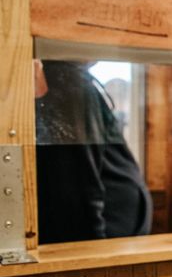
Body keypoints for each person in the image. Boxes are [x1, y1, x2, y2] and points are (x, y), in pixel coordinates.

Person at [35, 60, 152, 243]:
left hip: (111, 241)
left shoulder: (70, 79)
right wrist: (92, 248)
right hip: (98, 246)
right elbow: (78, 180)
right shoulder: (68, 81)